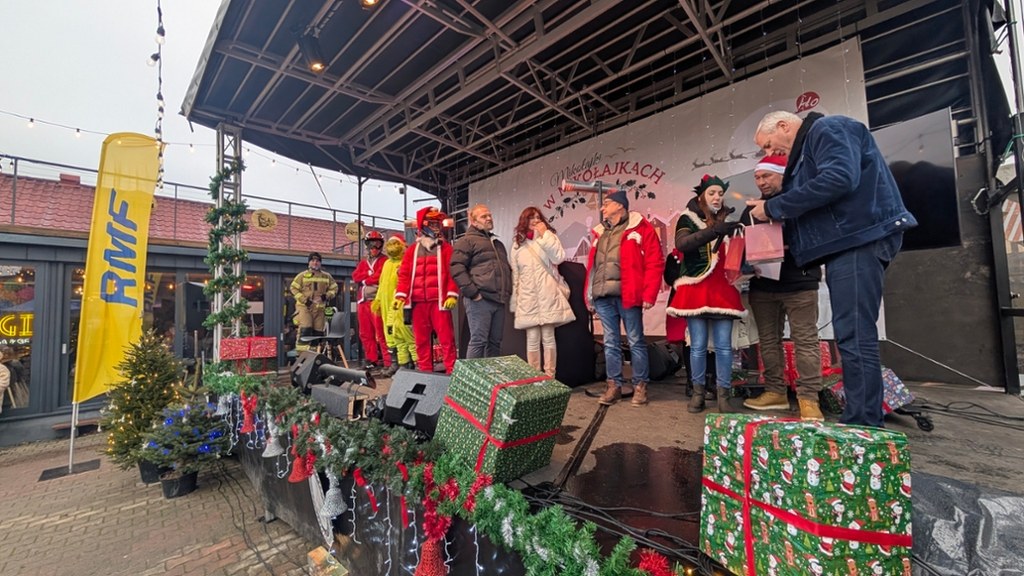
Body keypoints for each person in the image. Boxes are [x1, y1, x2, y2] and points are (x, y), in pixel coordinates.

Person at [748, 110, 917, 427]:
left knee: (855, 336)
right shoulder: (810, 148)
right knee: (851, 334)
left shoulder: (828, 128)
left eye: (768, 145)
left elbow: (839, 178)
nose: (771, 153)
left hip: (859, 239)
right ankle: (861, 418)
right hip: (851, 241)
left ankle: (863, 424)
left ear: (783, 126)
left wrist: (773, 207)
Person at [739, 155, 824, 420]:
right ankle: (775, 391)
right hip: (763, 286)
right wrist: (744, 264)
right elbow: (741, 247)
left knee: (805, 340)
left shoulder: (801, 203)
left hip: (800, 283)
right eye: (757, 177)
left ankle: (809, 398)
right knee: (768, 341)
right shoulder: (750, 211)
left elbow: (817, 237)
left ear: (783, 175)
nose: (761, 182)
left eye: (767, 176)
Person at [666, 174, 745, 413]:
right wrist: (714, 231)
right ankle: (697, 393)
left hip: (722, 289)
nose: (717, 198)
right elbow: (682, 244)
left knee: (723, 346)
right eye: (712, 193)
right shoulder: (687, 218)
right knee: (698, 345)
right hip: (696, 287)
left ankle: (723, 396)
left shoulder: (728, 221)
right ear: (701, 196)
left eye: (720, 194)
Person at [585, 187, 664, 406]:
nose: (602, 208)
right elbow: (593, 267)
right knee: (610, 342)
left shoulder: (641, 228)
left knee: (635, 340)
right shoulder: (600, 233)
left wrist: (649, 293)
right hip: (603, 295)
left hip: (628, 294)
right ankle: (614, 386)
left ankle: (640, 386)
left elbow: (655, 261)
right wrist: (590, 295)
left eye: (606, 204)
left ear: (619, 205)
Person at [509, 207, 575, 376]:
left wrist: (545, 234)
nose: (535, 220)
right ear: (524, 221)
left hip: (548, 294)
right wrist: (516, 300)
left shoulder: (549, 237)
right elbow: (516, 275)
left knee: (548, 337)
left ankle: (550, 376)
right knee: (532, 339)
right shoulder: (517, 244)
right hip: (528, 297)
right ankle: (535, 377)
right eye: (531, 217)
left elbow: (558, 258)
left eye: (538, 217)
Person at [394, 206, 459, 374]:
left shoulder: (446, 249)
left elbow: (453, 274)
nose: (436, 227)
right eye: (433, 223)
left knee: (447, 340)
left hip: (439, 303)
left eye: (438, 223)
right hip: (418, 303)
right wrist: (400, 296)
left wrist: (452, 294)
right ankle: (425, 374)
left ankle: (452, 372)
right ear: (424, 225)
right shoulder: (412, 251)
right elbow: (404, 275)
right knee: (421, 342)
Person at [450, 204, 513, 359]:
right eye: (484, 216)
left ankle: (492, 374)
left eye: (489, 215)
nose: (489, 218)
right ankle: (472, 376)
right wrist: (473, 293)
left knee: (495, 342)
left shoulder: (497, 243)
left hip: (498, 300)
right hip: (480, 300)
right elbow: (456, 267)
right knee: (478, 341)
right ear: (473, 221)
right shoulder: (466, 241)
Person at [373, 234, 418, 376]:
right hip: (386, 305)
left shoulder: (406, 262)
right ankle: (396, 363)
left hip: (400, 304)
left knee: (406, 334)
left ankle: (413, 364)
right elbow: (381, 283)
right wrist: (378, 300)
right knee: (390, 334)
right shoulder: (386, 264)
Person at [352, 231, 391, 371]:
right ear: (367, 245)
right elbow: (355, 276)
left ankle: (388, 361)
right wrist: (368, 276)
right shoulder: (364, 262)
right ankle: (372, 359)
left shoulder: (385, 261)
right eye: (371, 244)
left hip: (377, 301)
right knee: (365, 333)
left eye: (377, 244)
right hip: (363, 302)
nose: (374, 247)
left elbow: (379, 277)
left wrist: (365, 280)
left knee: (381, 333)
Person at [289, 252, 339, 340]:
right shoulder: (302, 276)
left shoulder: (326, 276)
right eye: (312, 260)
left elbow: (334, 289)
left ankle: (316, 348)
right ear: (309, 262)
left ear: (320, 263)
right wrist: (304, 300)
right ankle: (302, 349)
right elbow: (293, 288)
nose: (315, 263)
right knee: (305, 329)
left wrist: (325, 296)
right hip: (305, 307)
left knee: (318, 333)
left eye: (317, 261)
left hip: (320, 309)